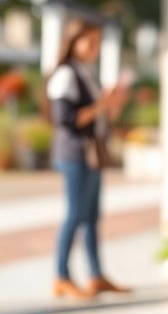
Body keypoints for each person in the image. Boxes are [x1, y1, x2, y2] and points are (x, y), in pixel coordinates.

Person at [46, 19, 132, 299]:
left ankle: (96, 275)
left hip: (92, 155)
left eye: (97, 42)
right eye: (89, 41)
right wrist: (101, 105)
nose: (94, 48)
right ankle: (61, 275)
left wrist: (113, 104)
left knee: (92, 216)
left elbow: (102, 117)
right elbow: (66, 119)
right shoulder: (66, 75)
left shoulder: (86, 74)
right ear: (74, 42)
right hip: (75, 154)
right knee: (74, 215)